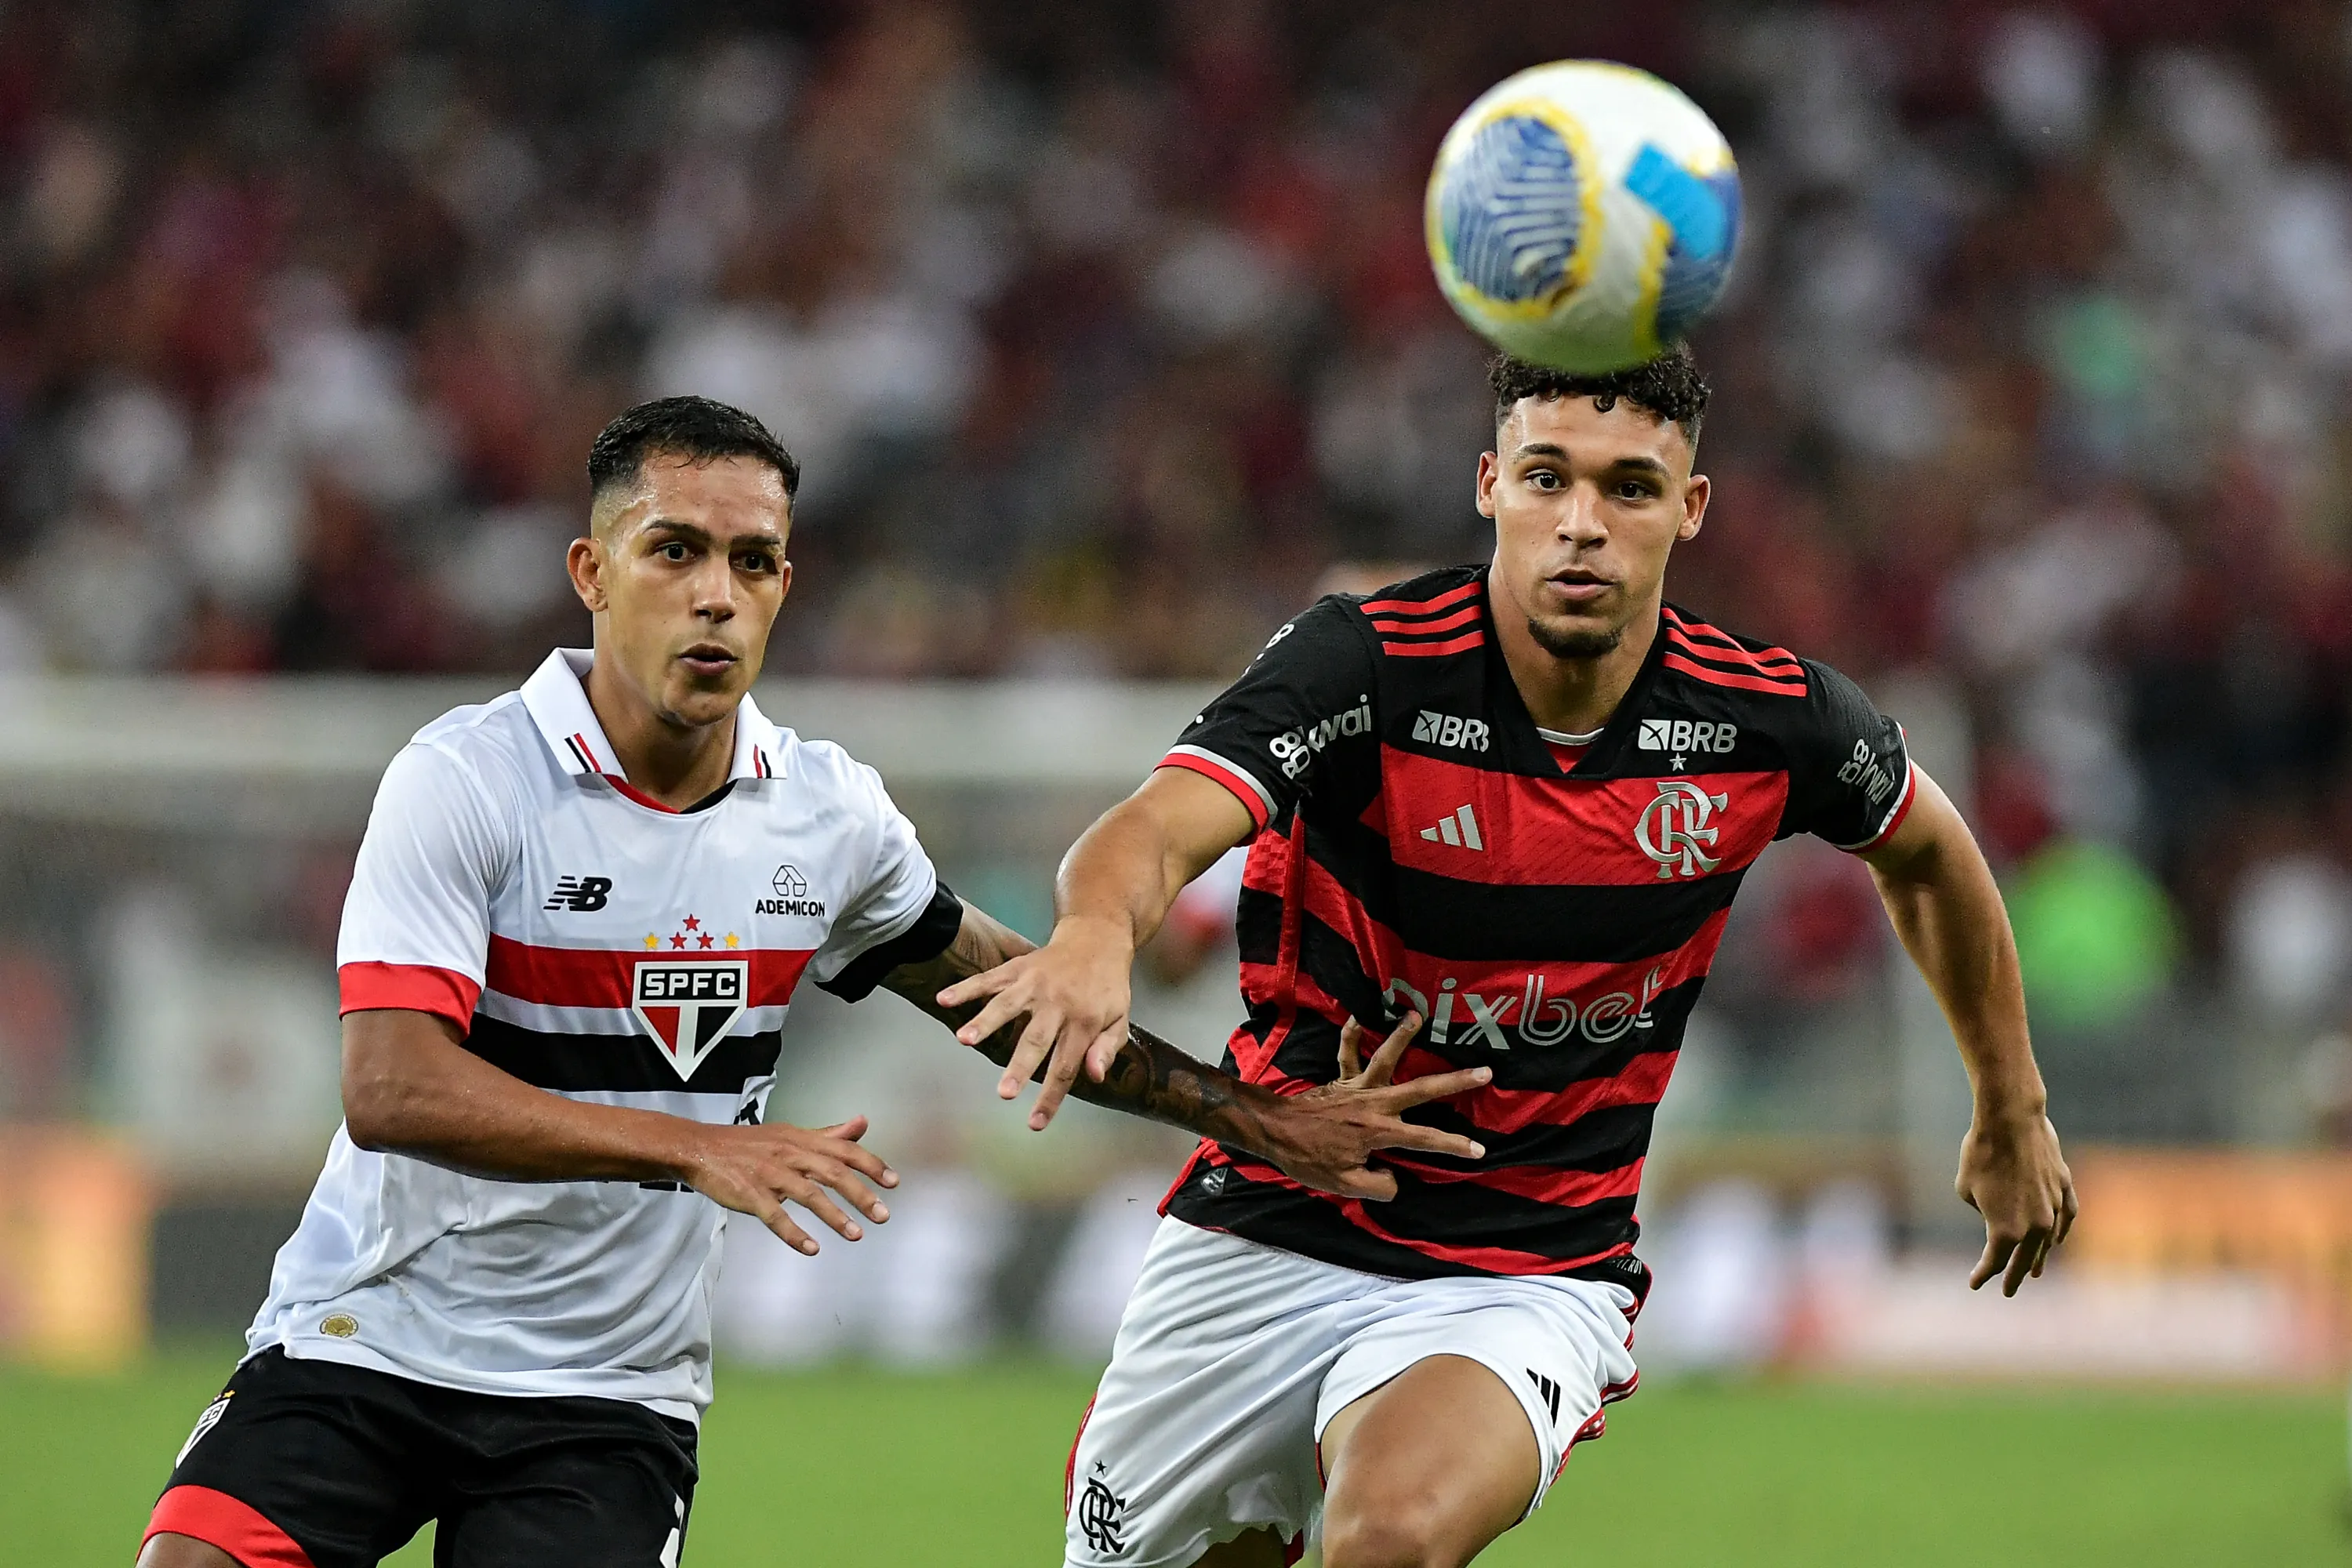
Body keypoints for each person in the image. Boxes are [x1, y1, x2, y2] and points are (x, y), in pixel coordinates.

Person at [136, 397, 1489, 1568]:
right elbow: (392, 1087)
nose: (716, 591)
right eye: (674, 551)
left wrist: (1261, 1120)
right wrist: (695, 1153)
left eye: (752, 560)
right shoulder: (468, 778)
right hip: (365, 1338)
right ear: (592, 572)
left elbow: (1016, 1001)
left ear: (787, 585)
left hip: (602, 1404)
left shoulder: (825, 820)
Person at [944, 349, 2081, 1568]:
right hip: (1273, 1219)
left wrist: (2009, 1106)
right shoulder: (1364, 664)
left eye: (1631, 489)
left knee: (1390, 1537)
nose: (1582, 525)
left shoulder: (1770, 716)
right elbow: (1156, 828)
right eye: (1548, 479)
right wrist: (1091, 937)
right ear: (1491, 485)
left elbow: (1934, 856)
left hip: (1527, 1265)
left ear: (1690, 509)